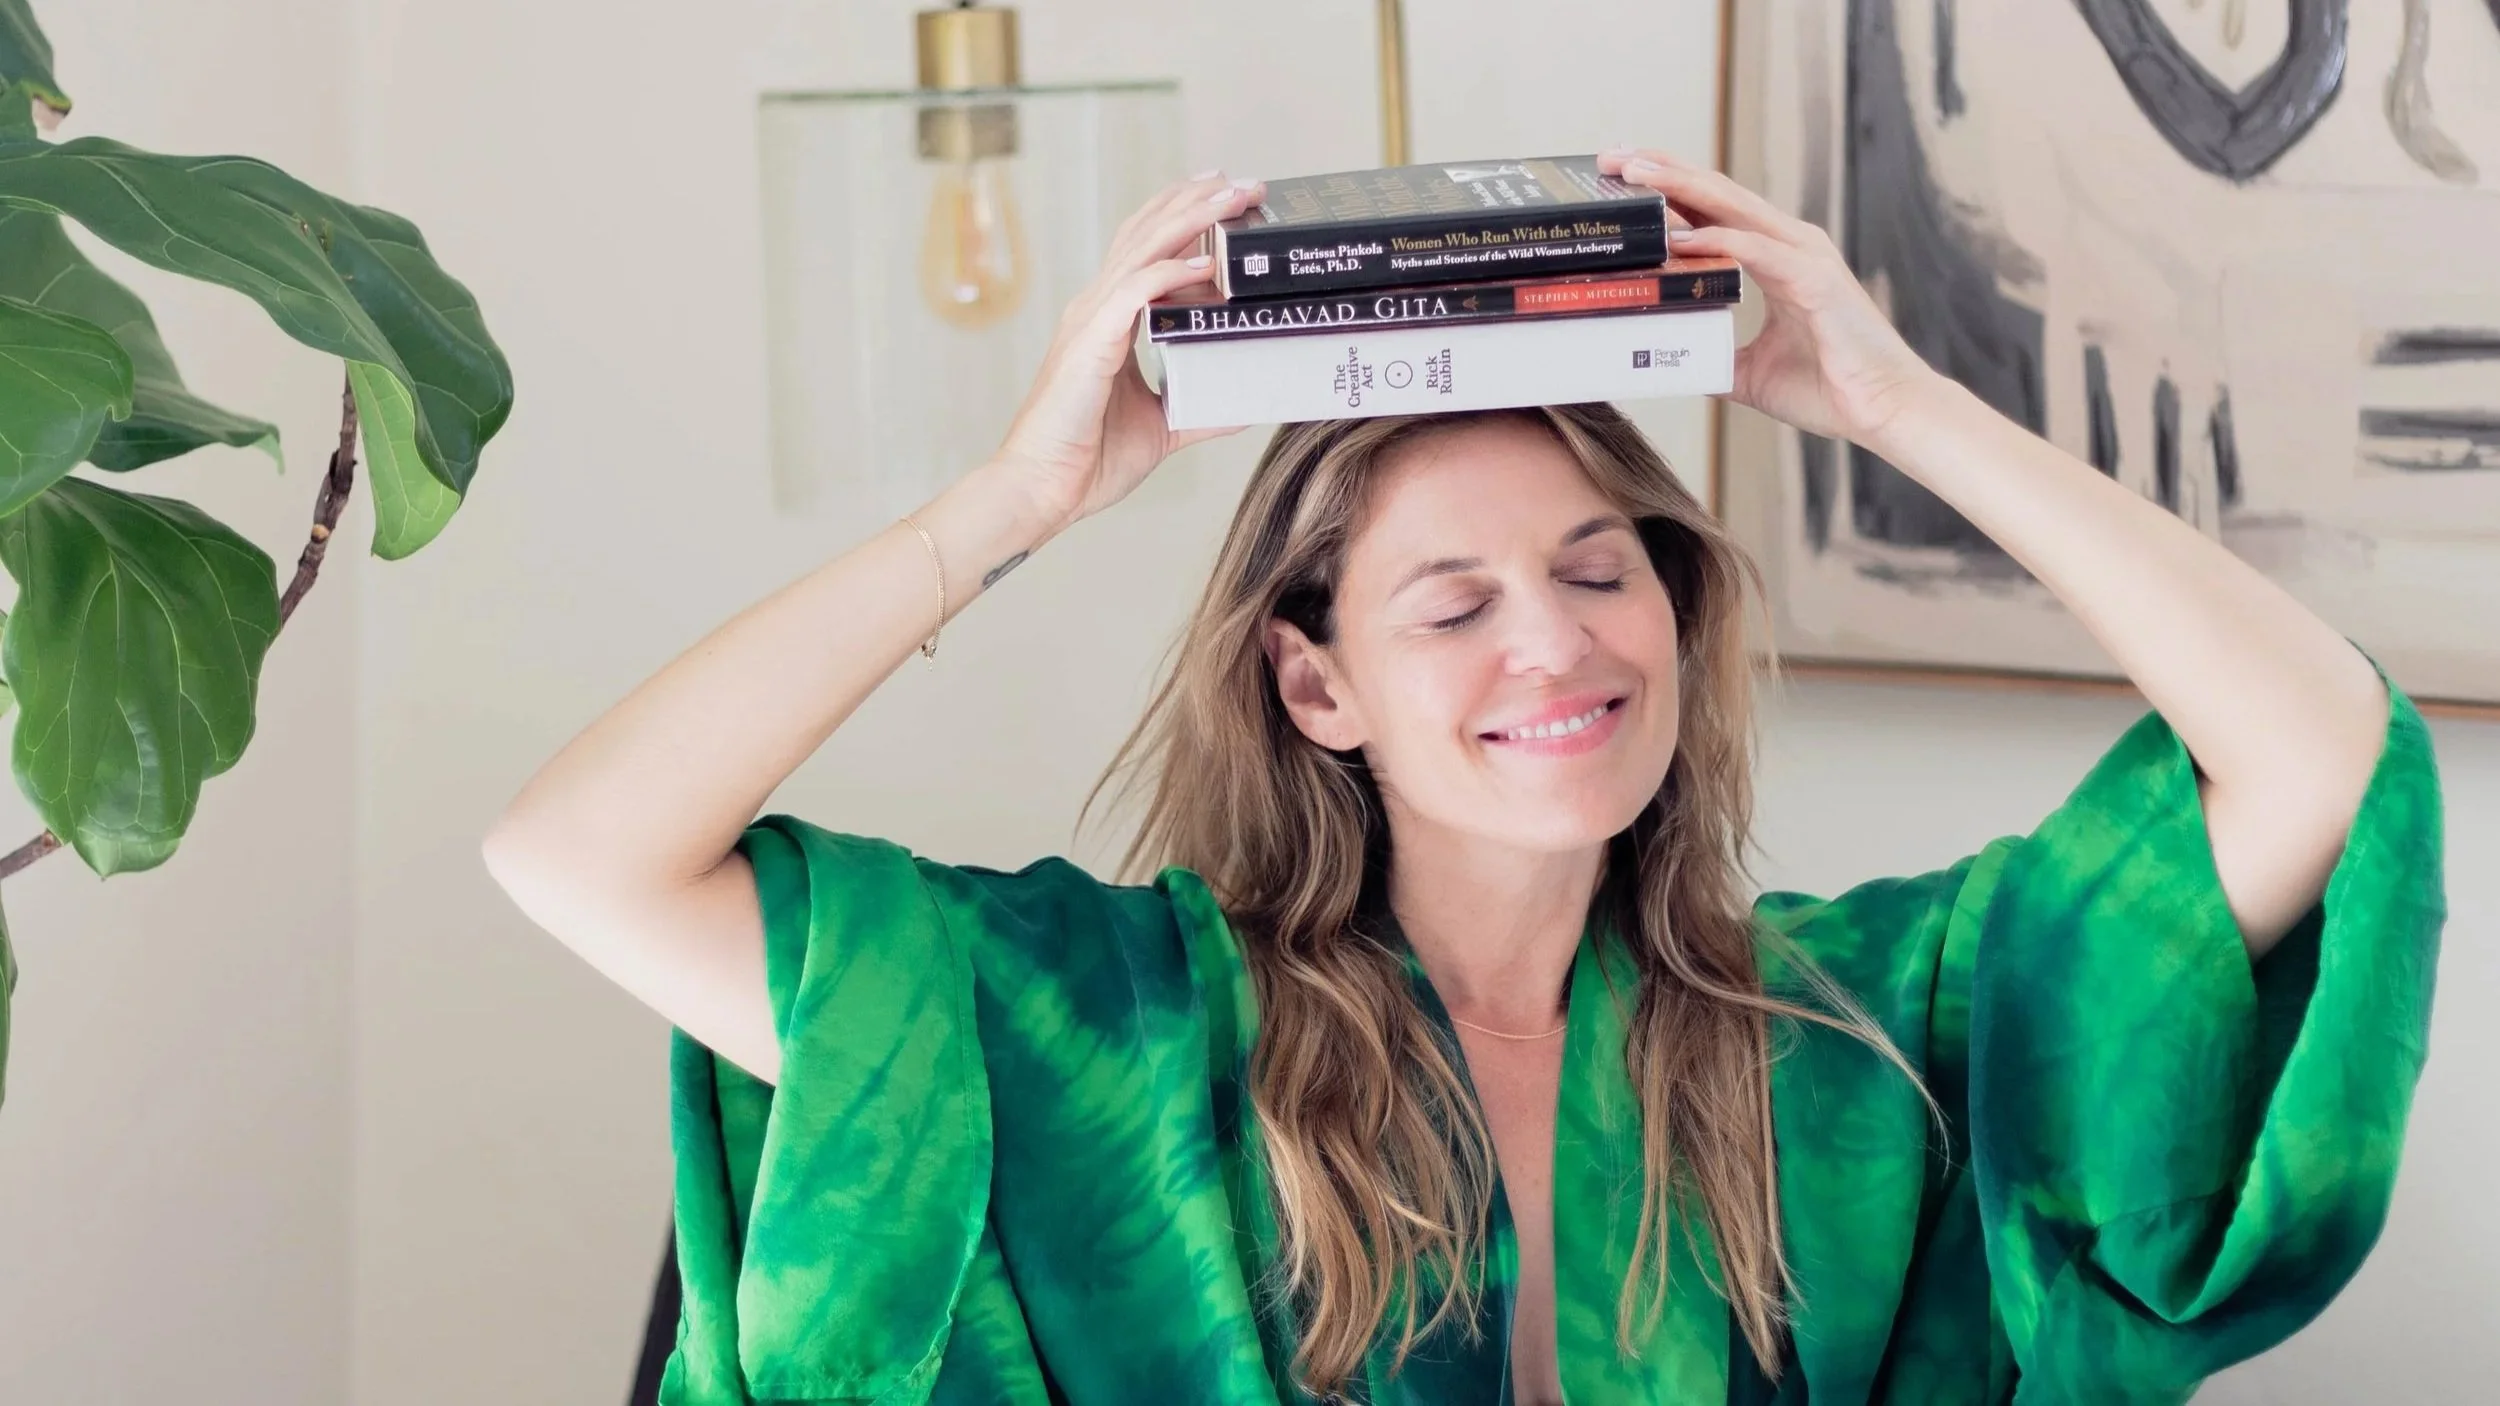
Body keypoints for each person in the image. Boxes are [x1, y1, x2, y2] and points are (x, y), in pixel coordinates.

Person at [481, 149, 2445, 1406]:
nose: (1555, 642)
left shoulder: (1853, 1037)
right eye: (1452, 605)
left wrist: (1891, 400)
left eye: (1601, 572)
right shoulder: (1095, 1031)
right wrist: (1007, 505)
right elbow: (580, 852)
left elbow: (2319, 757)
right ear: (1310, 679)